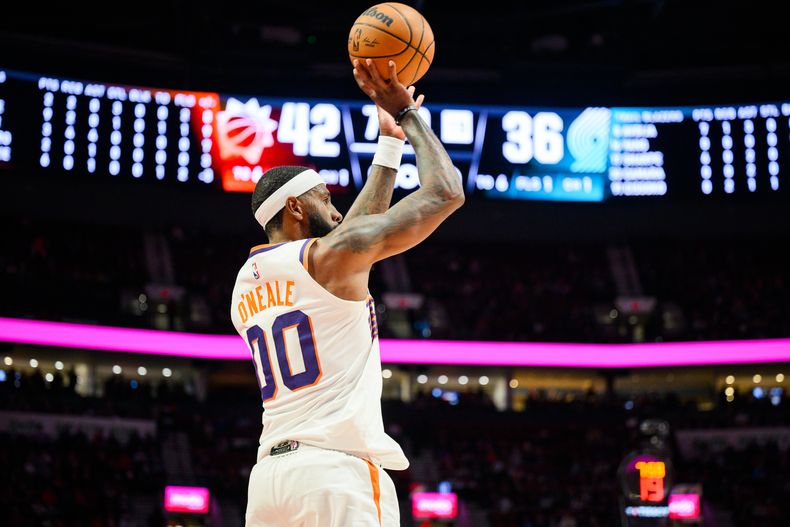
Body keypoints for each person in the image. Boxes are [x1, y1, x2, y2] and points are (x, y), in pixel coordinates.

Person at [231, 58, 464, 527]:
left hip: (270, 481)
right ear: (295, 206)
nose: (337, 212)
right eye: (325, 198)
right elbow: (447, 192)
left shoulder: (245, 283)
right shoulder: (326, 260)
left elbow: (348, 237)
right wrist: (406, 114)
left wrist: (388, 147)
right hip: (334, 474)